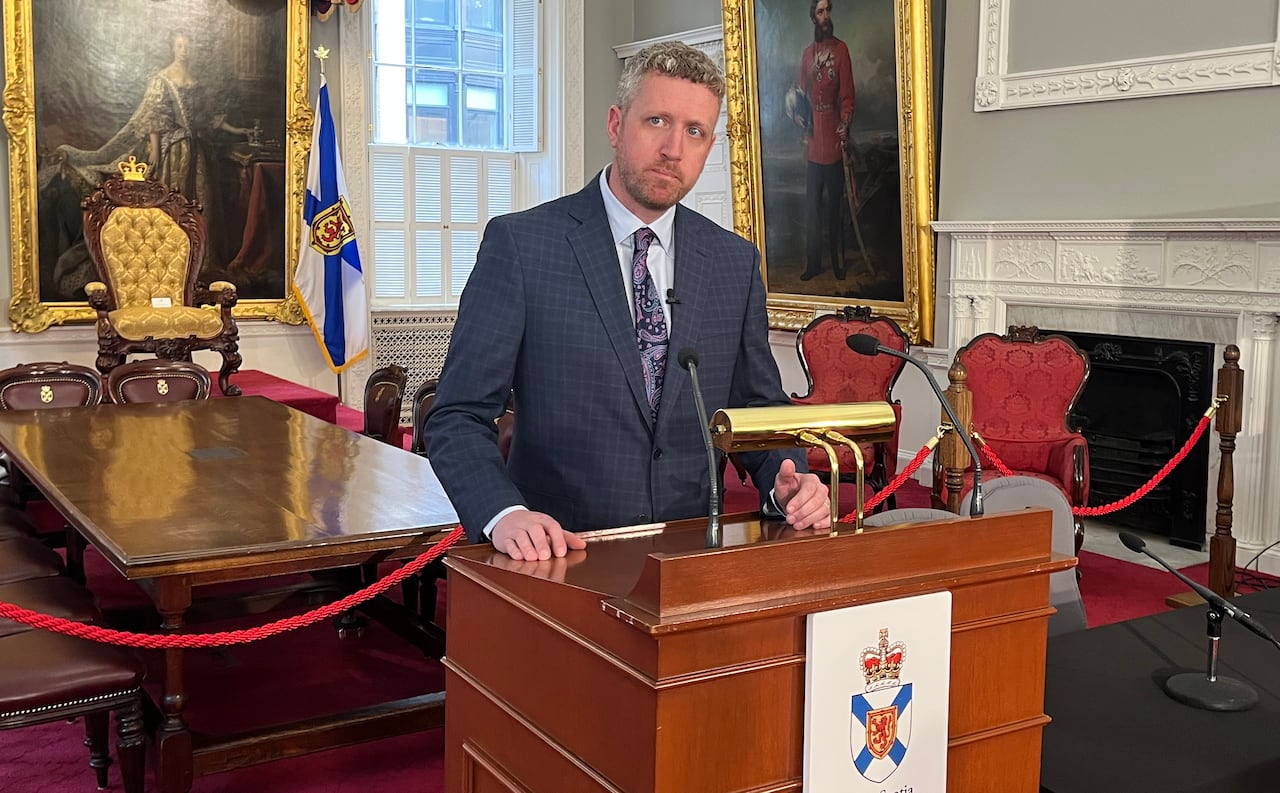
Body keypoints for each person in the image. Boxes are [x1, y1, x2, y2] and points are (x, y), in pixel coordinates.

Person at [425, 42, 831, 561]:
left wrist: (787, 482)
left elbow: (756, 408)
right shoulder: (523, 247)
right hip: (557, 556)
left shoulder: (733, 262)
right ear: (616, 125)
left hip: (690, 557)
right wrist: (505, 514)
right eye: (656, 121)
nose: (673, 149)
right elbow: (456, 415)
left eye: (695, 132)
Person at [793, 0, 855, 282]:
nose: (826, 15)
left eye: (828, 10)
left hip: (832, 139)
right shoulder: (808, 55)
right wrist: (798, 116)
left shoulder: (841, 50)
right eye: (820, 11)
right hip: (813, 143)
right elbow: (801, 96)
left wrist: (844, 123)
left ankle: (837, 262)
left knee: (834, 209)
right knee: (812, 210)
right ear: (812, 17)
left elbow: (847, 94)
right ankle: (814, 263)